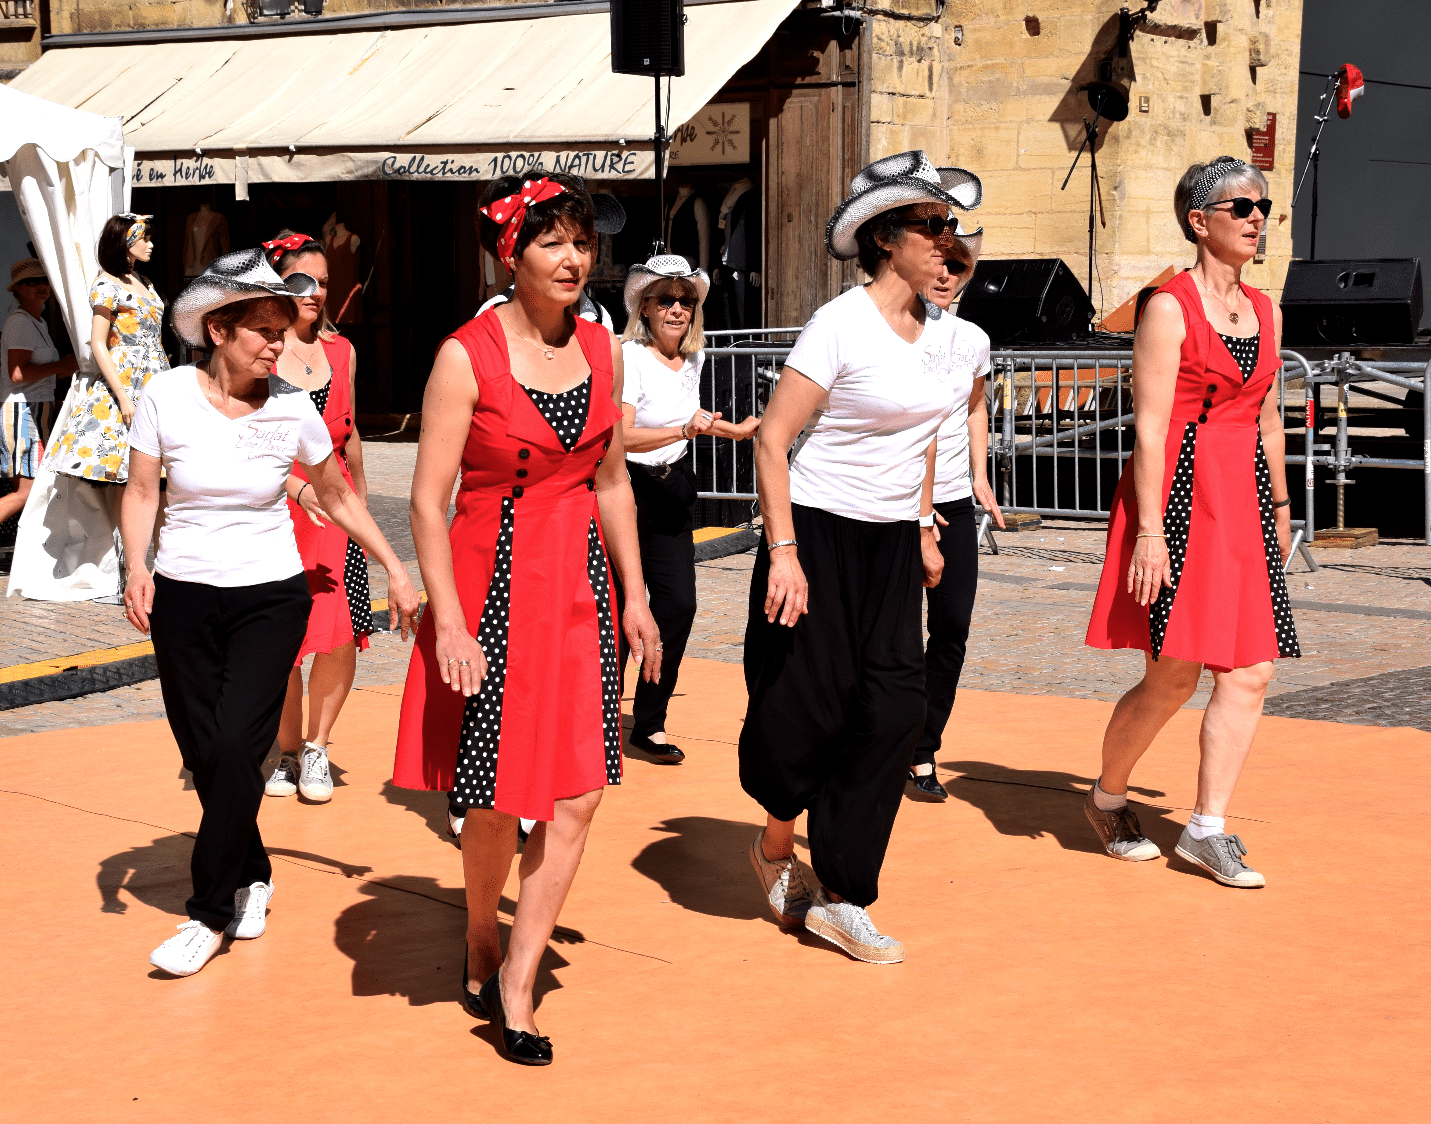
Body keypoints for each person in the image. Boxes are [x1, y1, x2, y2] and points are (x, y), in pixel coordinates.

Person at [392, 173, 660, 1065]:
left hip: (579, 583)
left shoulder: (604, 346)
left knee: (578, 792)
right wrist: (453, 624)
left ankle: (517, 978)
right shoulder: (463, 355)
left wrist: (640, 598)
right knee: (500, 796)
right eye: (551, 241)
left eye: (581, 242)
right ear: (513, 254)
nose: (573, 258)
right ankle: (479, 932)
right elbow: (428, 504)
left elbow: (611, 480)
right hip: (492, 580)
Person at [121, 249, 420, 977]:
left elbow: (340, 493)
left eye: (281, 329)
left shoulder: (291, 407)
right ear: (218, 330)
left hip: (269, 597)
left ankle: (210, 912)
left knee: (235, 745)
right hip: (184, 597)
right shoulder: (163, 395)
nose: (277, 343)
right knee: (205, 754)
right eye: (261, 328)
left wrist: (394, 565)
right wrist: (135, 567)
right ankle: (254, 870)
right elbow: (140, 493)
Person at [740, 151, 981, 963]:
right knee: (806, 710)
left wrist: (920, 526)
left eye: (953, 226)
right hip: (814, 529)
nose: (948, 240)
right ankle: (776, 842)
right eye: (932, 225)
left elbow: (923, 439)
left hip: (889, 542)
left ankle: (844, 892)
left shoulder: (945, 335)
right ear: (886, 239)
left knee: (892, 712)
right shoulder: (840, 323)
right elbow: (773, 442)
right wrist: (782, 553)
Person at [1084, 156, 1298, 889]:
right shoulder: (1168, 307)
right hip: (1176, 498)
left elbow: (1268, 418)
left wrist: (1278, 509)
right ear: (1197, 220)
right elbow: (1147, 429)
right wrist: (1148, 532)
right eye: (1239, 207)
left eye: (1260, 206)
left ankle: (1206, 829)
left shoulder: (1266, 310)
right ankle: (1108, 796)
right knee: (1171, 675)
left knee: (1251, 671)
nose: (1255, 218)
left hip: (1241, 498)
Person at [258, 231, 388, 806]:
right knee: (282, 641)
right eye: (301, 282)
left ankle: (318, 746)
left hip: (335, 515)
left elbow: (350, 434)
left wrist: (360, 506)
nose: (315, 294)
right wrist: (293, 485)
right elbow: (246, 440)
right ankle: (285, 748)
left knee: (335, 639)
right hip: (272, 513)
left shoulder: (342, 352)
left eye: (325, 284)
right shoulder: (257, 350)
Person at [619, 253, 759, 763]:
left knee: (678, 606)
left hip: (675, 487)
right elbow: (621, 437)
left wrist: (735, 430)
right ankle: (599, 717)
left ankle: (648, 723)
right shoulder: (630, 358)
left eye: (686, 300)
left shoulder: (694, 359)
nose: (677, 308)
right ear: (646, 308)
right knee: (616, 613)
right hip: (627, 490)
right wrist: (684, 430)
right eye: (666, 300)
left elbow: (693, 419)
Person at [906, 231, 1007, 801]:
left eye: (957, 266)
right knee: (893, 633)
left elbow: (974, 407)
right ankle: (883, 740)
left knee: (952, 628)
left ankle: (924, 747)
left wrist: (979, 476)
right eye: (939, 264)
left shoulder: (973, 339)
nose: (945, 276)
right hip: (897, 501)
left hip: (952, 501)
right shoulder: (901, 330)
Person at [47, 213, 167, 489]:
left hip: (155, 375)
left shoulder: (144, 281)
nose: (150, 245)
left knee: (158, 474)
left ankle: (156, 534)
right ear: (124, 241)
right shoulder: (106, 283)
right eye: (144, 238)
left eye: (150, 239)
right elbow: (98, 343)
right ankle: (131, 534)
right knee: (123, 473)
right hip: (124, 378)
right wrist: (123, 397)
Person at [2, 260, 78, 526]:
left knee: (36, 491)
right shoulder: (21, 322)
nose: (40, 286)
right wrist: (63, 365)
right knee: (26, 493)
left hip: (37, 409)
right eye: (31, 282)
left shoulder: (38, 322)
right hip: (23, 412)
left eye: (44, 280)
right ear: (18, 290)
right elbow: (17, 374)